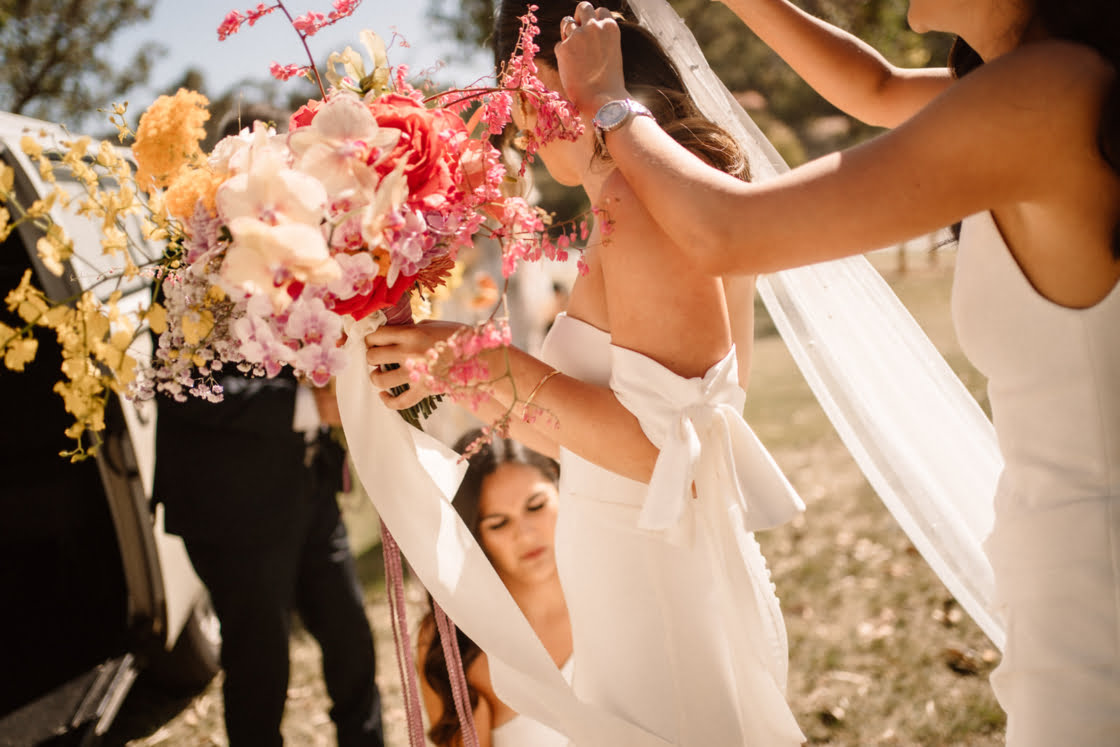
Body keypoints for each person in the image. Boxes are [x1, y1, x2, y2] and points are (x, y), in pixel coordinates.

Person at [554, 0, 1120, 743]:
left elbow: (728, 231)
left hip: (1096, 567)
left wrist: (608, 104)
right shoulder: (1032, 86)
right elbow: (876, 89)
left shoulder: (1048, 93)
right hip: (1056, 549)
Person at [365, 2, 806, 743]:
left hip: (655, 592)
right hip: (646, 570)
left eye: (515, 94)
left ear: (554, 71)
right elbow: (616, 439)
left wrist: (472, 357)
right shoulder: (659, 189)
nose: (517, 129)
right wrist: (454, 371)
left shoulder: (641, 197)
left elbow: (663, 452)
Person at [152, 106, 385, 747]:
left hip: (309, 490)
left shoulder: (309, 245)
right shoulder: (188, 268)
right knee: (260, 662)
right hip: (234, 507)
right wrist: (309, 409)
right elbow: (182, 391)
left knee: (350, 636)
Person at [418, 430, 571, 746]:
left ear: (560, 487)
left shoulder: (619, 581)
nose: (525, 535)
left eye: (536, 506)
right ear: (475, 535)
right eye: (499, 523)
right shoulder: (456, 641)